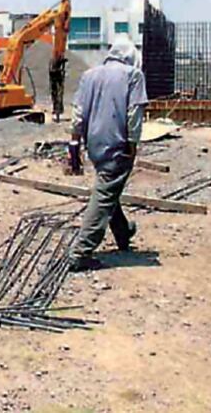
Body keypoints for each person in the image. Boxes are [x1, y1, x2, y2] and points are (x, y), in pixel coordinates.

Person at [68, 35, 148, 271]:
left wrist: (74, 146)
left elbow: (78, 114)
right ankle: (80, 251)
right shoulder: (133, 76)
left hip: (94, 143)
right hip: (118, 143)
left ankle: (123, 233)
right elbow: (134, 113)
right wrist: (133, 145)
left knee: (108, 186)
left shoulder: (89, 75)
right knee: (105, 193)